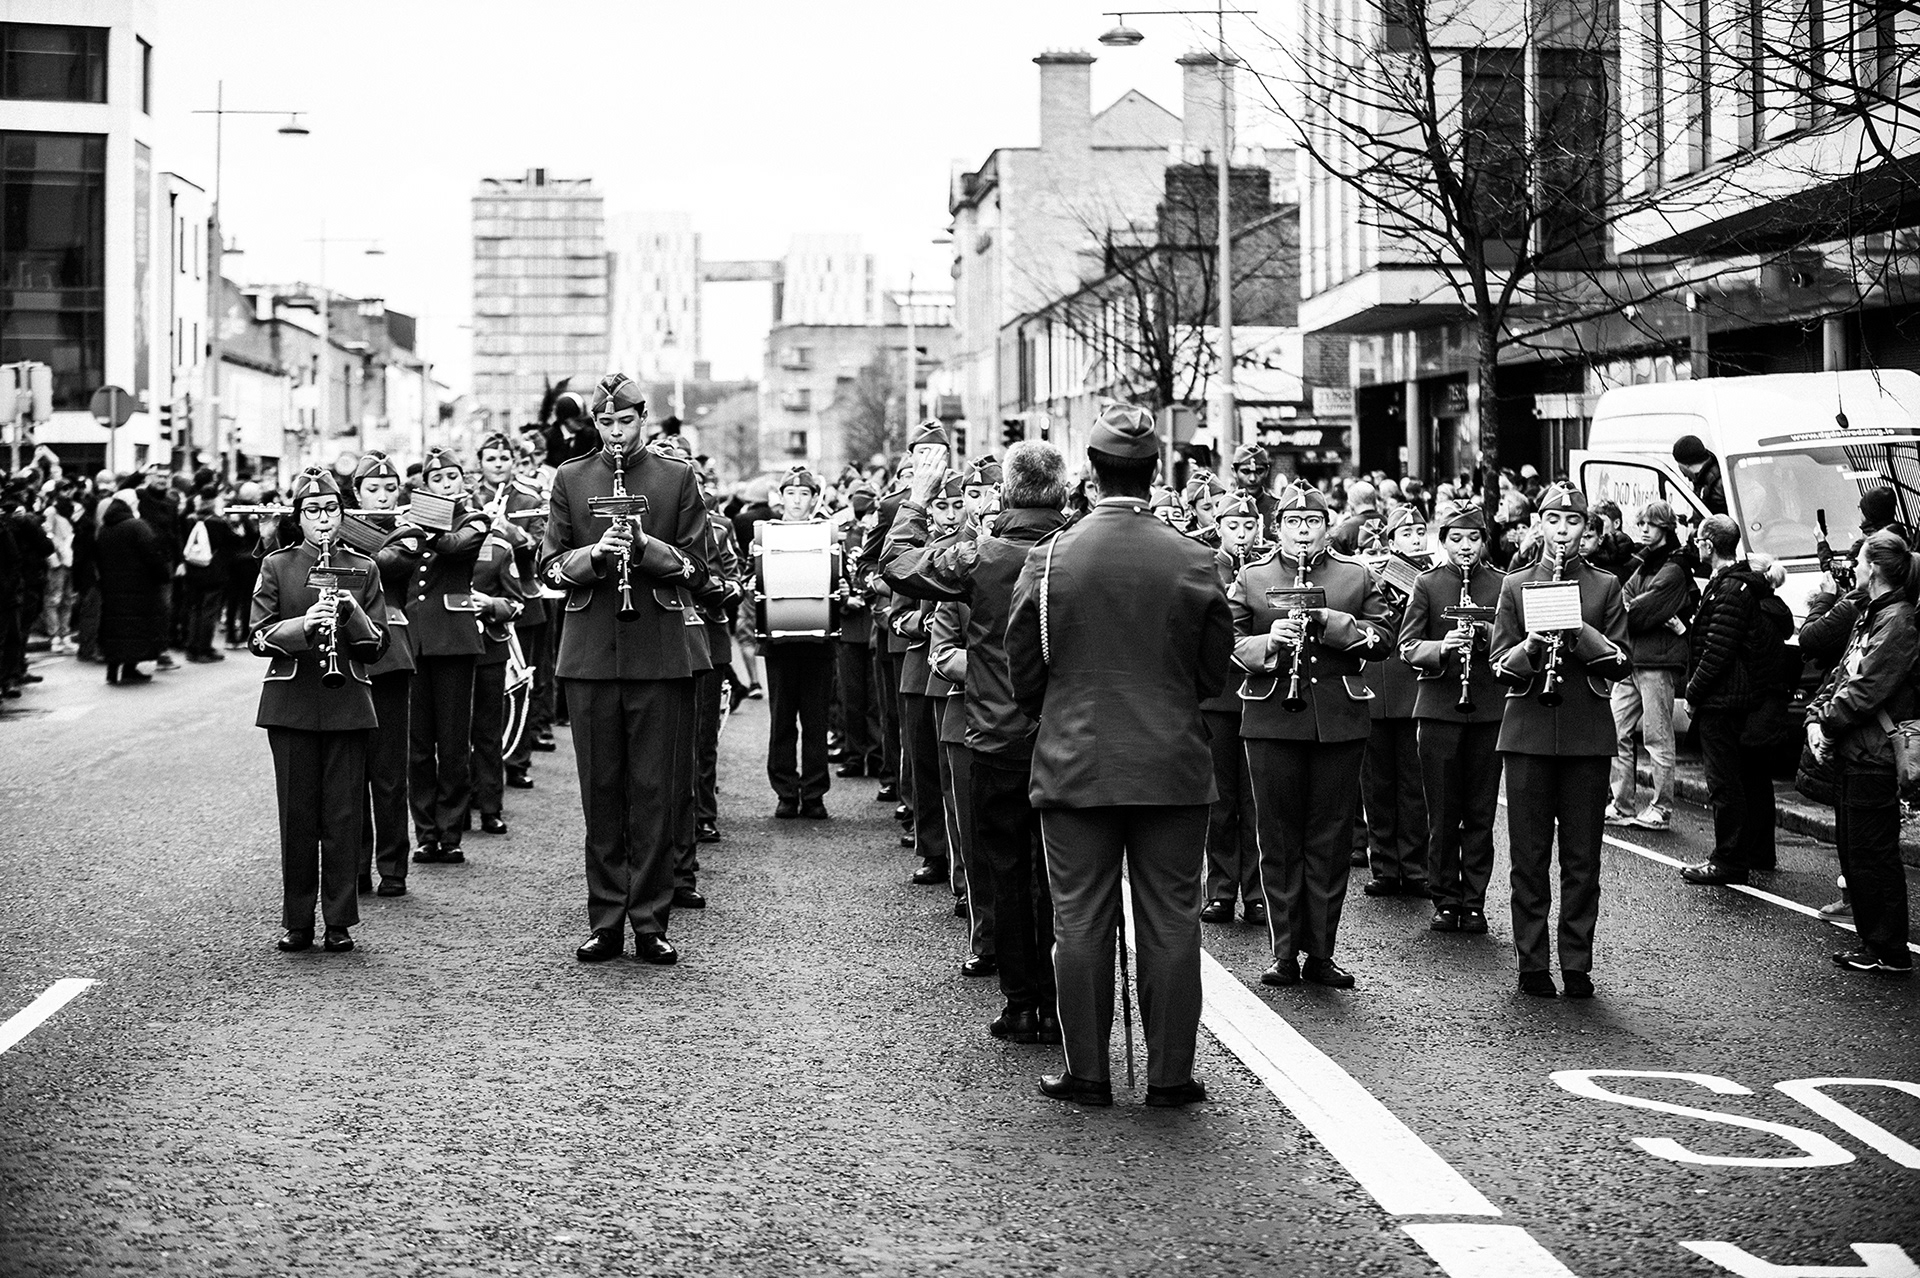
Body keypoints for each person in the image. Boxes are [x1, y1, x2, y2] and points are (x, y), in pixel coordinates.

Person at [1003, 405, 1232, 1108]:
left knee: (1079, 920)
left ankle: (1087, 1074)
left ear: (1091, 473)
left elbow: (1023, 669)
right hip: (1171, 761)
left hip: (1075, 758)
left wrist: (1060, 714)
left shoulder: (1051, 556)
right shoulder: (1194, 556)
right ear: (1154, 470)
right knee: (1173, 920)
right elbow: (1213, 672)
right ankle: (1170, 1077)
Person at [888, 439, 1071, 1043]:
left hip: (997, 735)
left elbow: (899, 565)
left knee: (1008, 876)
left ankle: (1022, 1004)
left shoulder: (982, 555)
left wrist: (917, 499)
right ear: (1061, 491)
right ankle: (1064, 1005)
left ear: (1008, 493)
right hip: (1069, 737)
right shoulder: (1081, 546)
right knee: (1067, 879)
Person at [538, 372, 710, 965]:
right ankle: (607, 919)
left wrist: (644, 548)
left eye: (625, 421)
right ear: (595, 423)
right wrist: (593, 555)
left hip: (657, 651)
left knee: (654, 793)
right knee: (602, 794)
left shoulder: (675, 477)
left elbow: (699, 569)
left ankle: (650, 922)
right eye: (606, 422)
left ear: (643, 420)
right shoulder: (571, 477)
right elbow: (548, 566)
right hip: (589, 653)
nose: (615, 432)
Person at [1232, 481, 1392, 989]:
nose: (1303, 532)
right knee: (1278, 837)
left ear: (1327, 526)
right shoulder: (1253, 577)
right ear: (1278, 527)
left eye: (1313, 522)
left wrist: (1330, 621)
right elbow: (1226, 639)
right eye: (1293, 523)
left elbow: (1384, 637)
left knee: (1330, 838)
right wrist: (1268, 641)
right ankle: (1283, 952)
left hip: (1338, 719)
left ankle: (1320, 952)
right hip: (1271, 718)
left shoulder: (1354, 575)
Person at [1490, 484, 1631, 999]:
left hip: (1585, 734)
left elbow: (1621, 662)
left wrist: (1579, 632)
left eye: (1573, 522)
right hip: (1527, 732)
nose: (1562, 531)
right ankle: (1532, 963)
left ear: (1586, 529)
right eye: (1553, 521)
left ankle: (1576, 963)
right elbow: (1499, 665)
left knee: (1582, 860)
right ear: (1540, 525)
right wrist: (1531, 647)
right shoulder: (1515, 584)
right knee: (1528, 858)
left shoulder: (1605, 585)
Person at [247, 467, 388, 953]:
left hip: (347, 701)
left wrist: (353, 614)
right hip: (292, 702)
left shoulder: (364, 567)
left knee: (344, 816)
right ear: (299, 517)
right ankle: (298, 920)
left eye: (331, 509)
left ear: (342, 515)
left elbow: (377, 646)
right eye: (312, 511)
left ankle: (339, 921)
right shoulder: (278, 565)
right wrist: (303, 625)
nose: (323, 519)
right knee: (298, 817)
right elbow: (257, 637)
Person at [1805, 529, 1916, 977]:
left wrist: (1828, 725)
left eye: (1860, 560)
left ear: (1874, 569)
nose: (1853, 567)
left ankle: (1889, 950)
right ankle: (1875, 943)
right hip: (1856, 750)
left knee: (1873, 855)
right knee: (1856, 853)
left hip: (1875, 753)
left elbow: (1867, 687)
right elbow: (1840, 675)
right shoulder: (1871, 614)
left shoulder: (1899, 621)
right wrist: (1814, 717)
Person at [1398, 502, 1505, 933]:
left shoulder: (1501, 584)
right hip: (1440, 707)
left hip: (1488, 709)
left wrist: (1485, 634)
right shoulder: (1428, 583)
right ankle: (1444, 898)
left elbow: (1514, 642)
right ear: (1442, 542)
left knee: (1480, 812)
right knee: (1442, 811)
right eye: (1456, 539)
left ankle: (1474, 900)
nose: (1465, 547)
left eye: (1473, 538)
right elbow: (1408, 645)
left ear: (1484, 542)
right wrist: (1442, 646)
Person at [405, 448, 492, 867]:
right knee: (418, 745)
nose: (445, 484)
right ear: (424, 485)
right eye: (436, 479)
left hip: (455, 640)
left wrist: (422, 523)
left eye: (451, 477)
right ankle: (425, 833)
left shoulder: (474, 519)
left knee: (454, 743)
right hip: (415, 640)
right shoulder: (409, 522)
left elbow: (455, 547)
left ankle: (451, 833)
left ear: (463, 480)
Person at [882, 469, 969, 882]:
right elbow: (897, 618)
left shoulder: (973, 549)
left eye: (958, 504)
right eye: (942, 506)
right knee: (926, 768)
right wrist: (925, 623)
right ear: (929, 510)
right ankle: (934, 851)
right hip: (922, 671)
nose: (951, 514)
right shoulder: (921, 552)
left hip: (956, 671)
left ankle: (961, 861)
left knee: (957, 777)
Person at [1678, 514, 1772, 886]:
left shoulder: (1731, 588)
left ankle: (1729, 859)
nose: (1695, 546)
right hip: (1730, 696)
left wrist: (1693, 693)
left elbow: (1717, 650)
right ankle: (1749, 852)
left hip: (1722, 699)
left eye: (1698, 540)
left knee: (1723, 782)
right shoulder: (1730, 583)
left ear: (1708, 544)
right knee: (1740, 779)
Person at [348, 451, 421, 897]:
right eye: (372, 489)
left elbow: (384, 563)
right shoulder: (333, 528)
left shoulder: (408, 530)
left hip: (390, 653)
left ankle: (393, 867)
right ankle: (355, 865)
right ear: (356, 493)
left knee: (389, 771)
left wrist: (339, 528)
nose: (381, 496)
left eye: (389, 489)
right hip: (346, 654)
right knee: (350, 771)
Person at [754, 466, 840, 820]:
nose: (797, 501)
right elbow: (755, 580)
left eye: (804, 494)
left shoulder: (826, 533)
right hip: (779, 641)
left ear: (814, 498)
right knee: (782, 720)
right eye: (791, 493)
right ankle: (786, 793)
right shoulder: (767, 534)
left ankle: (815, 793)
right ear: (781, 497)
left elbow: (838, 579)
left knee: (816, 720)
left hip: (818, 642)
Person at [1199, 494, 1267, 926]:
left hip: (1259, 692)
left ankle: (1257, 892)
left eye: (1249, 526)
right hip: (1218, 693)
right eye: (1233, 526)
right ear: (1219, 528)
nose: (1241, 535)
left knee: (1257, 800)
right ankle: (1222, 889)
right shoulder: (1204, 566)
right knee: (1221, 799)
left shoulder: (1266, 570)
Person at [1359, 504, 1432, 897]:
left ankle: (1416, 867)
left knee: (1413, 785)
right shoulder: (1371, 575)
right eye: (1406, 534)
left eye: (1420, 532)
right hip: (1375, 686)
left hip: (1413, 688)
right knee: (1377, 784)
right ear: (1391, 540)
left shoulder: (1432, 576)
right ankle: (1385, 864)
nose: (1415, 540)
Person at [1605, 501, 1690, 831]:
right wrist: (1633, 609)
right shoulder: (1646, 563)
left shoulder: (1674, 567)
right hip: (1634, 658)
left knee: (1658, 737)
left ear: (1665, 528)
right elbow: (1622, 601)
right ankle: (1621, 803)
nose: (1643, 530)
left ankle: (1661, 808)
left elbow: (1637, 612)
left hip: (1658, 662)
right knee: (1616, 730)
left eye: (1650, 525)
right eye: (1641, 523)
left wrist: (1633, 609)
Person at [690, 464, 746, 852]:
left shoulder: (719, 528)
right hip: (661, 637)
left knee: (704, 733)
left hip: (708, 635)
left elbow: (736, 582)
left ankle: (703, 813)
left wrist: (712, 589)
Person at [93, 487, 169, 686]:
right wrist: (163, 575)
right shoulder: (137, 526)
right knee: (136, 628)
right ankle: (130, 667)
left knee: (116, 628)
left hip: (113, 587)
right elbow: (152, 553)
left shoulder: (105, 528)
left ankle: (114, 669)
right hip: (140, 587)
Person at [181, 487, 236, 663]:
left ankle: (192, 647)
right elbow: (232, 542)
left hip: (192, 569)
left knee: (194, 608)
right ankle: (204, 648)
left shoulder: (189, 519)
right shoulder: (218, 522)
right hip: (214, 571)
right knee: (209, 610)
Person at [1671, 435, 1727, 515]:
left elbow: (1718, 518)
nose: (1685, 476)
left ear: (1686, 465)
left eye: (1679, 465)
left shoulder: (1717, 483)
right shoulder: (1704, 478)